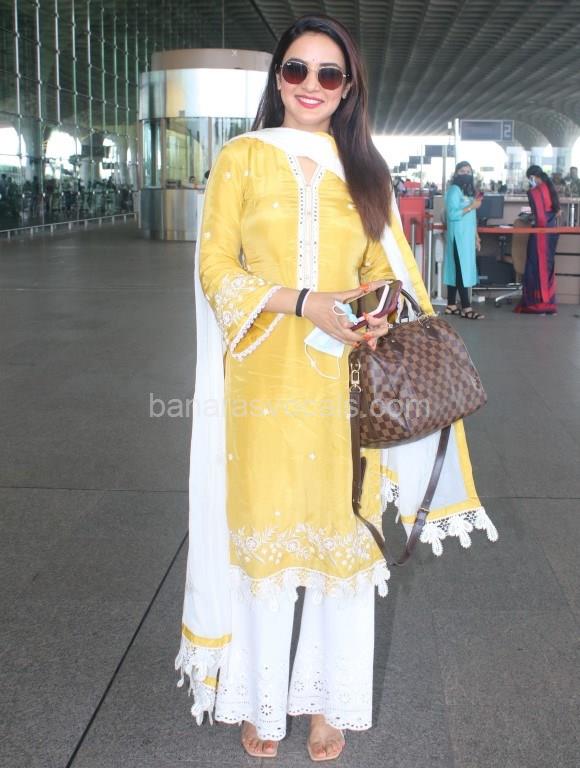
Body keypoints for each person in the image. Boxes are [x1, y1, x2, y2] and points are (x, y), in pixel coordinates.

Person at [175, 14, 497, 762]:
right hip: (263, 379)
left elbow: (383, 271)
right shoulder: (241, 158)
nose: (311, 85)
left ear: (348, 87)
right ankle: (262, 701)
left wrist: (376, 311)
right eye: (297, 69)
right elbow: (215, 268)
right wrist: (302, 303)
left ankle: (327, 703)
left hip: (346, 384)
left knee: (342, 534)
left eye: (329, 73)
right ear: (278, 78)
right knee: (264, 534)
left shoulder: (365, 172)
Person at [514, 165, 560, 314]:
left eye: (530, 178)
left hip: (541, 233)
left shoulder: (536, 191)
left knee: (535, 266)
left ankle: (537, 303)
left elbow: (540, 217)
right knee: (547, 266)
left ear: (533, 177)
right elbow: (554, 211)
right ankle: (549, 302)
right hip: (552, 231)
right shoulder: (550, 187)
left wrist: (530, 219)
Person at [443, 161, 484, 319]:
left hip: (467, 238)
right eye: (462, 171)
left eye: (468, 171)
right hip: (458, 237)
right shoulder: (454, 191)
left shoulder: (467, 192)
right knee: (460, 271)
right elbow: (452, 214)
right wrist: (471, 206)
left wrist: (476, 237)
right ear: (456, 173)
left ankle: (451, 305)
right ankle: (466, 308)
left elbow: (472, 219)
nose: (466, 174)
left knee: (457, 269)